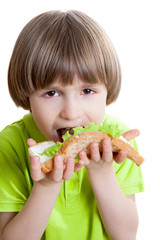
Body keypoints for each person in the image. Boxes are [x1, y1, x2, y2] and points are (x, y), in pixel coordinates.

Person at [0, 10, 144, 240]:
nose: (71, 112)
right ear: (27, 96)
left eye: (87, 91)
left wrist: (103, 171)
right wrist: (46, 187)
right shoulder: (10, 145)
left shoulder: (117, 144)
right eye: (52, 92)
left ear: (107, 90)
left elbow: (125, 235)